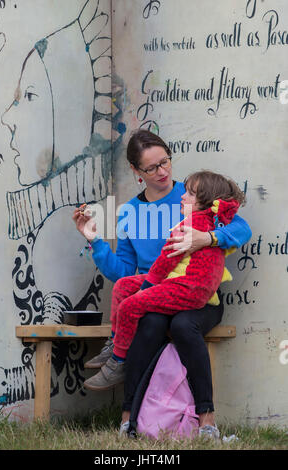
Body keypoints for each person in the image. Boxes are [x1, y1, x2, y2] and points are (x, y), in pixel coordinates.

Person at [72, 129, 252, 439]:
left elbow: (241, 228)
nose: (163, 171)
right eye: (152, 167)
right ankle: (129, 418)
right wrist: (95, 241)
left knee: (183, 326)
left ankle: (206, 420)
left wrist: (207, 237)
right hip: (155, 291)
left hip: (198, 295)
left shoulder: (194, 194)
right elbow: (125, 272)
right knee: (151, 323)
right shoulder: (130, 211)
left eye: (165, 161)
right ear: (136, 171)